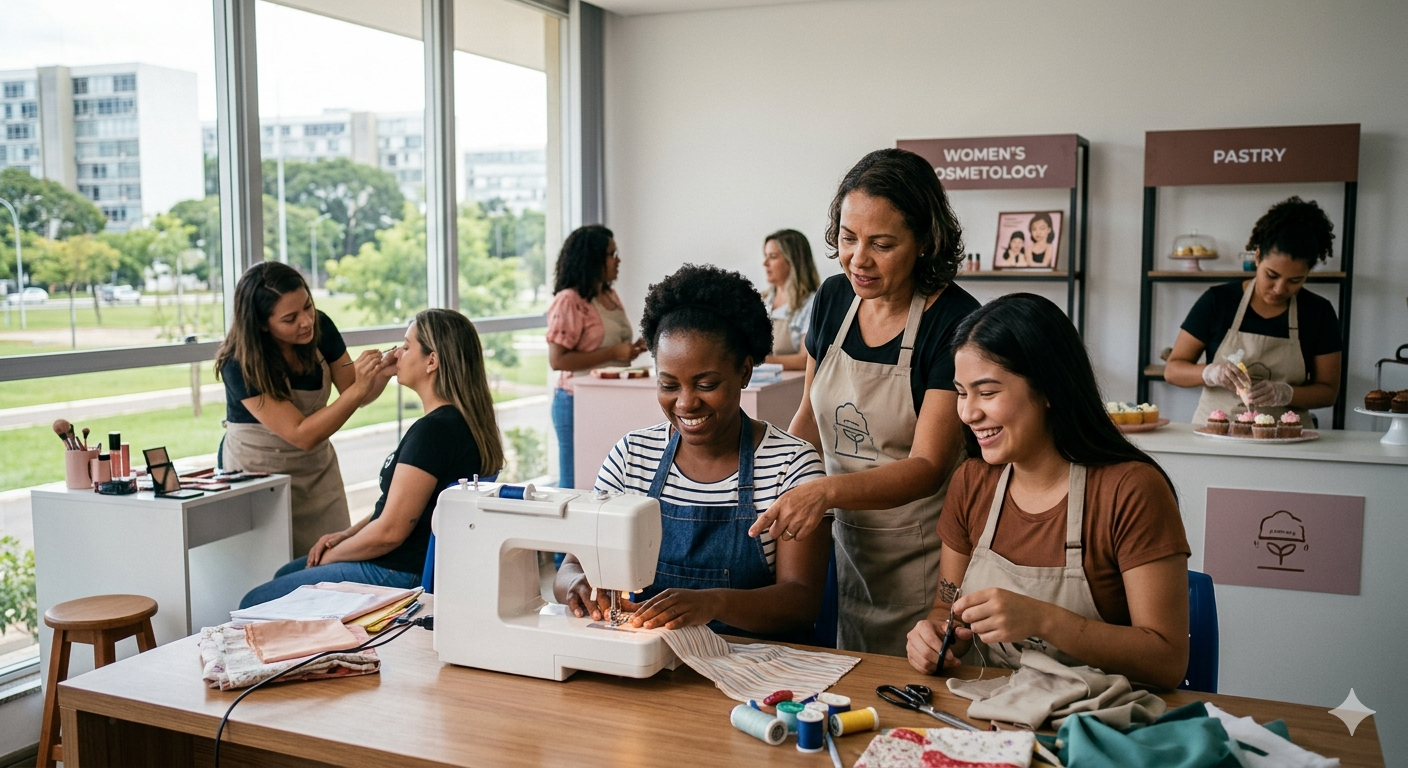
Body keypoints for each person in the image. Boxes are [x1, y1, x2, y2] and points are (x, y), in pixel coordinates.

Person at [750, 148, 981, 656]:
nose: (859, 259)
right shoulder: (833, 299)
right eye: (849, 239)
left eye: (882, 244)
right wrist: (777, 477)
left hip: (927, 550)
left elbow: (928, 465)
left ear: (925, 242)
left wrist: (826, 492)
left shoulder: (955, 322)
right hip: (849, 542)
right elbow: (810, 414)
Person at [906, 294, 1190, 688]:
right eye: (961, 392)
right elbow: (947, 607)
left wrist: (1044, 620)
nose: (969, 412)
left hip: (1104, 725)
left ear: (1048, 389)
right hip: (994, 714)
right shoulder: (971, 482)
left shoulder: (1131, 490)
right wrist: (936, 637)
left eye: (987, 393)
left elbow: (1167, 660)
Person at [554, 264, 829, 639]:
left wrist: (713, 603)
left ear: (745, 372)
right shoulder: (632, 457)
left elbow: (801, 603)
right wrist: (576, 586)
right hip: (653, 663)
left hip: (757, 670)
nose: (686, 403)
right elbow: (570, 566)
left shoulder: (790, 466)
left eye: (706, 384)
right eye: (669, 384)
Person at [240, 309, 505, 608]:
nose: (396, 354)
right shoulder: (463, 422)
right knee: (286, 573)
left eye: (406, 347)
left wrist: (333, 555)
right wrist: (346, 534)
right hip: (415, 564)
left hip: (401, 571)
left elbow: (390, 532)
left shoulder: (433, 432)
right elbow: (397, 507)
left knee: (255, 601)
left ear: (432, 361)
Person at [216, 262, 396, 556]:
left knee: (333, 562)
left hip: (317, 472)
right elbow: (301, 434)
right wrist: (360, 388)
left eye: (308, 307)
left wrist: (382, 373)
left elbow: (356, 393)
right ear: (262, 324)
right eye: (290, 318)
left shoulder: (320, 328)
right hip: (259, 477)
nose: (306, 321)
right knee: (274, 570)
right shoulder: (239, 363)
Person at [1164, 197, 1341, 425]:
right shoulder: (1218, 301)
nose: (1279, 289)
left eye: (1295, 280)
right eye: (1272, 275)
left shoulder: (1318, 312)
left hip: (1287, 440)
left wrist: (1286, 393)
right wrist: (1210, 373)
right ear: (1257, 257)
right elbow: (1173, 370)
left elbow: (1328, 391)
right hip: (1217, 434)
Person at [547, 225, 647, 488]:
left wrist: (632, 349)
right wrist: (614, 352)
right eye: (611, 254)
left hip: (608, 399)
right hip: (575, 401)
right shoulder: (569, 300)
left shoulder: (610, 294)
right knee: (576, 482)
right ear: (592, 258)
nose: (618, 260)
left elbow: (612, 350)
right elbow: (558, 360)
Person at [761, 228, 822, 370]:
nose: (765, 263)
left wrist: (759, 362)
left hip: (794, 388)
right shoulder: (761, 302)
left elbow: (805, 359)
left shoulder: (812, 304)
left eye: (773, 257)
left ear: (793, 261)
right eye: (765, 256)